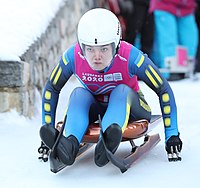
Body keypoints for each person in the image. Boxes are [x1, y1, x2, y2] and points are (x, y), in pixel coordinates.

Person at [38, 8, 182, 168]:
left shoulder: (131, 57)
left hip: (132, 107)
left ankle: (106, 140)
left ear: (116, 45)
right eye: (90, 49)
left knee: (121, 91)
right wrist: (48, 128)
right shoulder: (73, 56)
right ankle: (70, 144)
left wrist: (172, 134)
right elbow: (52, 88)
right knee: (79, 94)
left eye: (104, 49)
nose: (97, 56)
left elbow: (163, 89)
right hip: (97, 108)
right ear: (81, 45)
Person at [149, 0, 198, 80]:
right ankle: (170, 71)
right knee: (168, 39)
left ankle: (187, 69)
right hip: (164, 4)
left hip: (187, 6)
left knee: (189, 40)